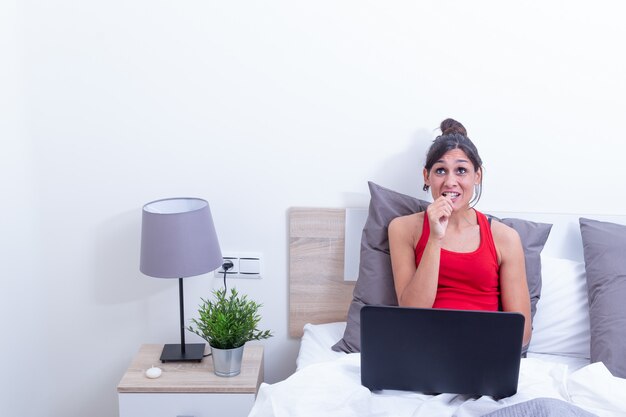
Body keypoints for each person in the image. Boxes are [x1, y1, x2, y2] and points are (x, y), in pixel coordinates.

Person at [388, 118, 532, 347]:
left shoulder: (505, 238)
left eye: (461, 170)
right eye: (441, 170)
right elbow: (412, 314)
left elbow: (522, 333)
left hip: (484, 351)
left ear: (478, 175)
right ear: (427, 176)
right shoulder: (403, 229)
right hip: (425, 349)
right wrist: (435, 238)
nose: (450, 181)